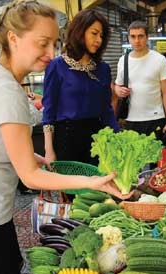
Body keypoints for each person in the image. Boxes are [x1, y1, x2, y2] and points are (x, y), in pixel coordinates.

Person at [0, 1, 129, 274]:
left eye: (54, 42)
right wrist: (92, 181)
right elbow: (29, 176)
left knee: (10, 268)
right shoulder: (6, 91)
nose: (50, 51)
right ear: (14, 38)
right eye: (42, 43)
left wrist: (36, 156)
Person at [42, 9, 119, 165]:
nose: (99, 39)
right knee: (73, 188)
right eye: (94, 33)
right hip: (66, 139)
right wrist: (48, 149)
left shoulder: (103, 68)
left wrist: (118, 139)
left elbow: (107, 110)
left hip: (97, 139)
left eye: (102, 36)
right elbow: (48, 110)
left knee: (99, 186)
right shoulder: (57, 66)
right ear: (80, 31)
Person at [114, 21, 166, 144]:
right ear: (128, 38)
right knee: (134, 161)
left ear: (147, 37)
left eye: (141, 36)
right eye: (133, 36)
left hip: (156, 118)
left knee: (158, 161)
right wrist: (118, 90)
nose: (137, 41)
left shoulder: (159, 60)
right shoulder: (123, 60)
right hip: (130, 120)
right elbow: (117, 85)